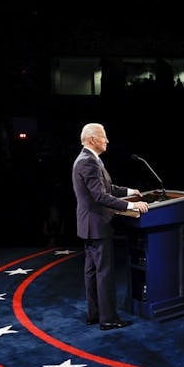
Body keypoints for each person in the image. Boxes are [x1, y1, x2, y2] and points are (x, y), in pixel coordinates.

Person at [71, 123, 149, 331]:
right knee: (103, 273)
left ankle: (95, 314)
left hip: (90, 225)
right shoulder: (88, 162)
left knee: (92, 272)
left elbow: (107, 189)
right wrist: (132, 205)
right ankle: (108, 319)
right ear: (91, 140)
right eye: (103, 137)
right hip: (97, 224)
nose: (107, 141)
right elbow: (100, 196)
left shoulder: (89, 160)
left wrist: (130, 191)